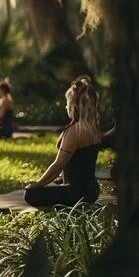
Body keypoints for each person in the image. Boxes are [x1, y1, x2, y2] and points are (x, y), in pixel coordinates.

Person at [24, 76, 102, 207]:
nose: (66, 106)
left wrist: (38, 184)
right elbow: (81, 163)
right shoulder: (93, 128)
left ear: (74, 105)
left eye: (67, 102)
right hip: (92, 191)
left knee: (31, 194)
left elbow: (58, 165)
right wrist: (61, 178)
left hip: (77, 193)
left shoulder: (74, 131)